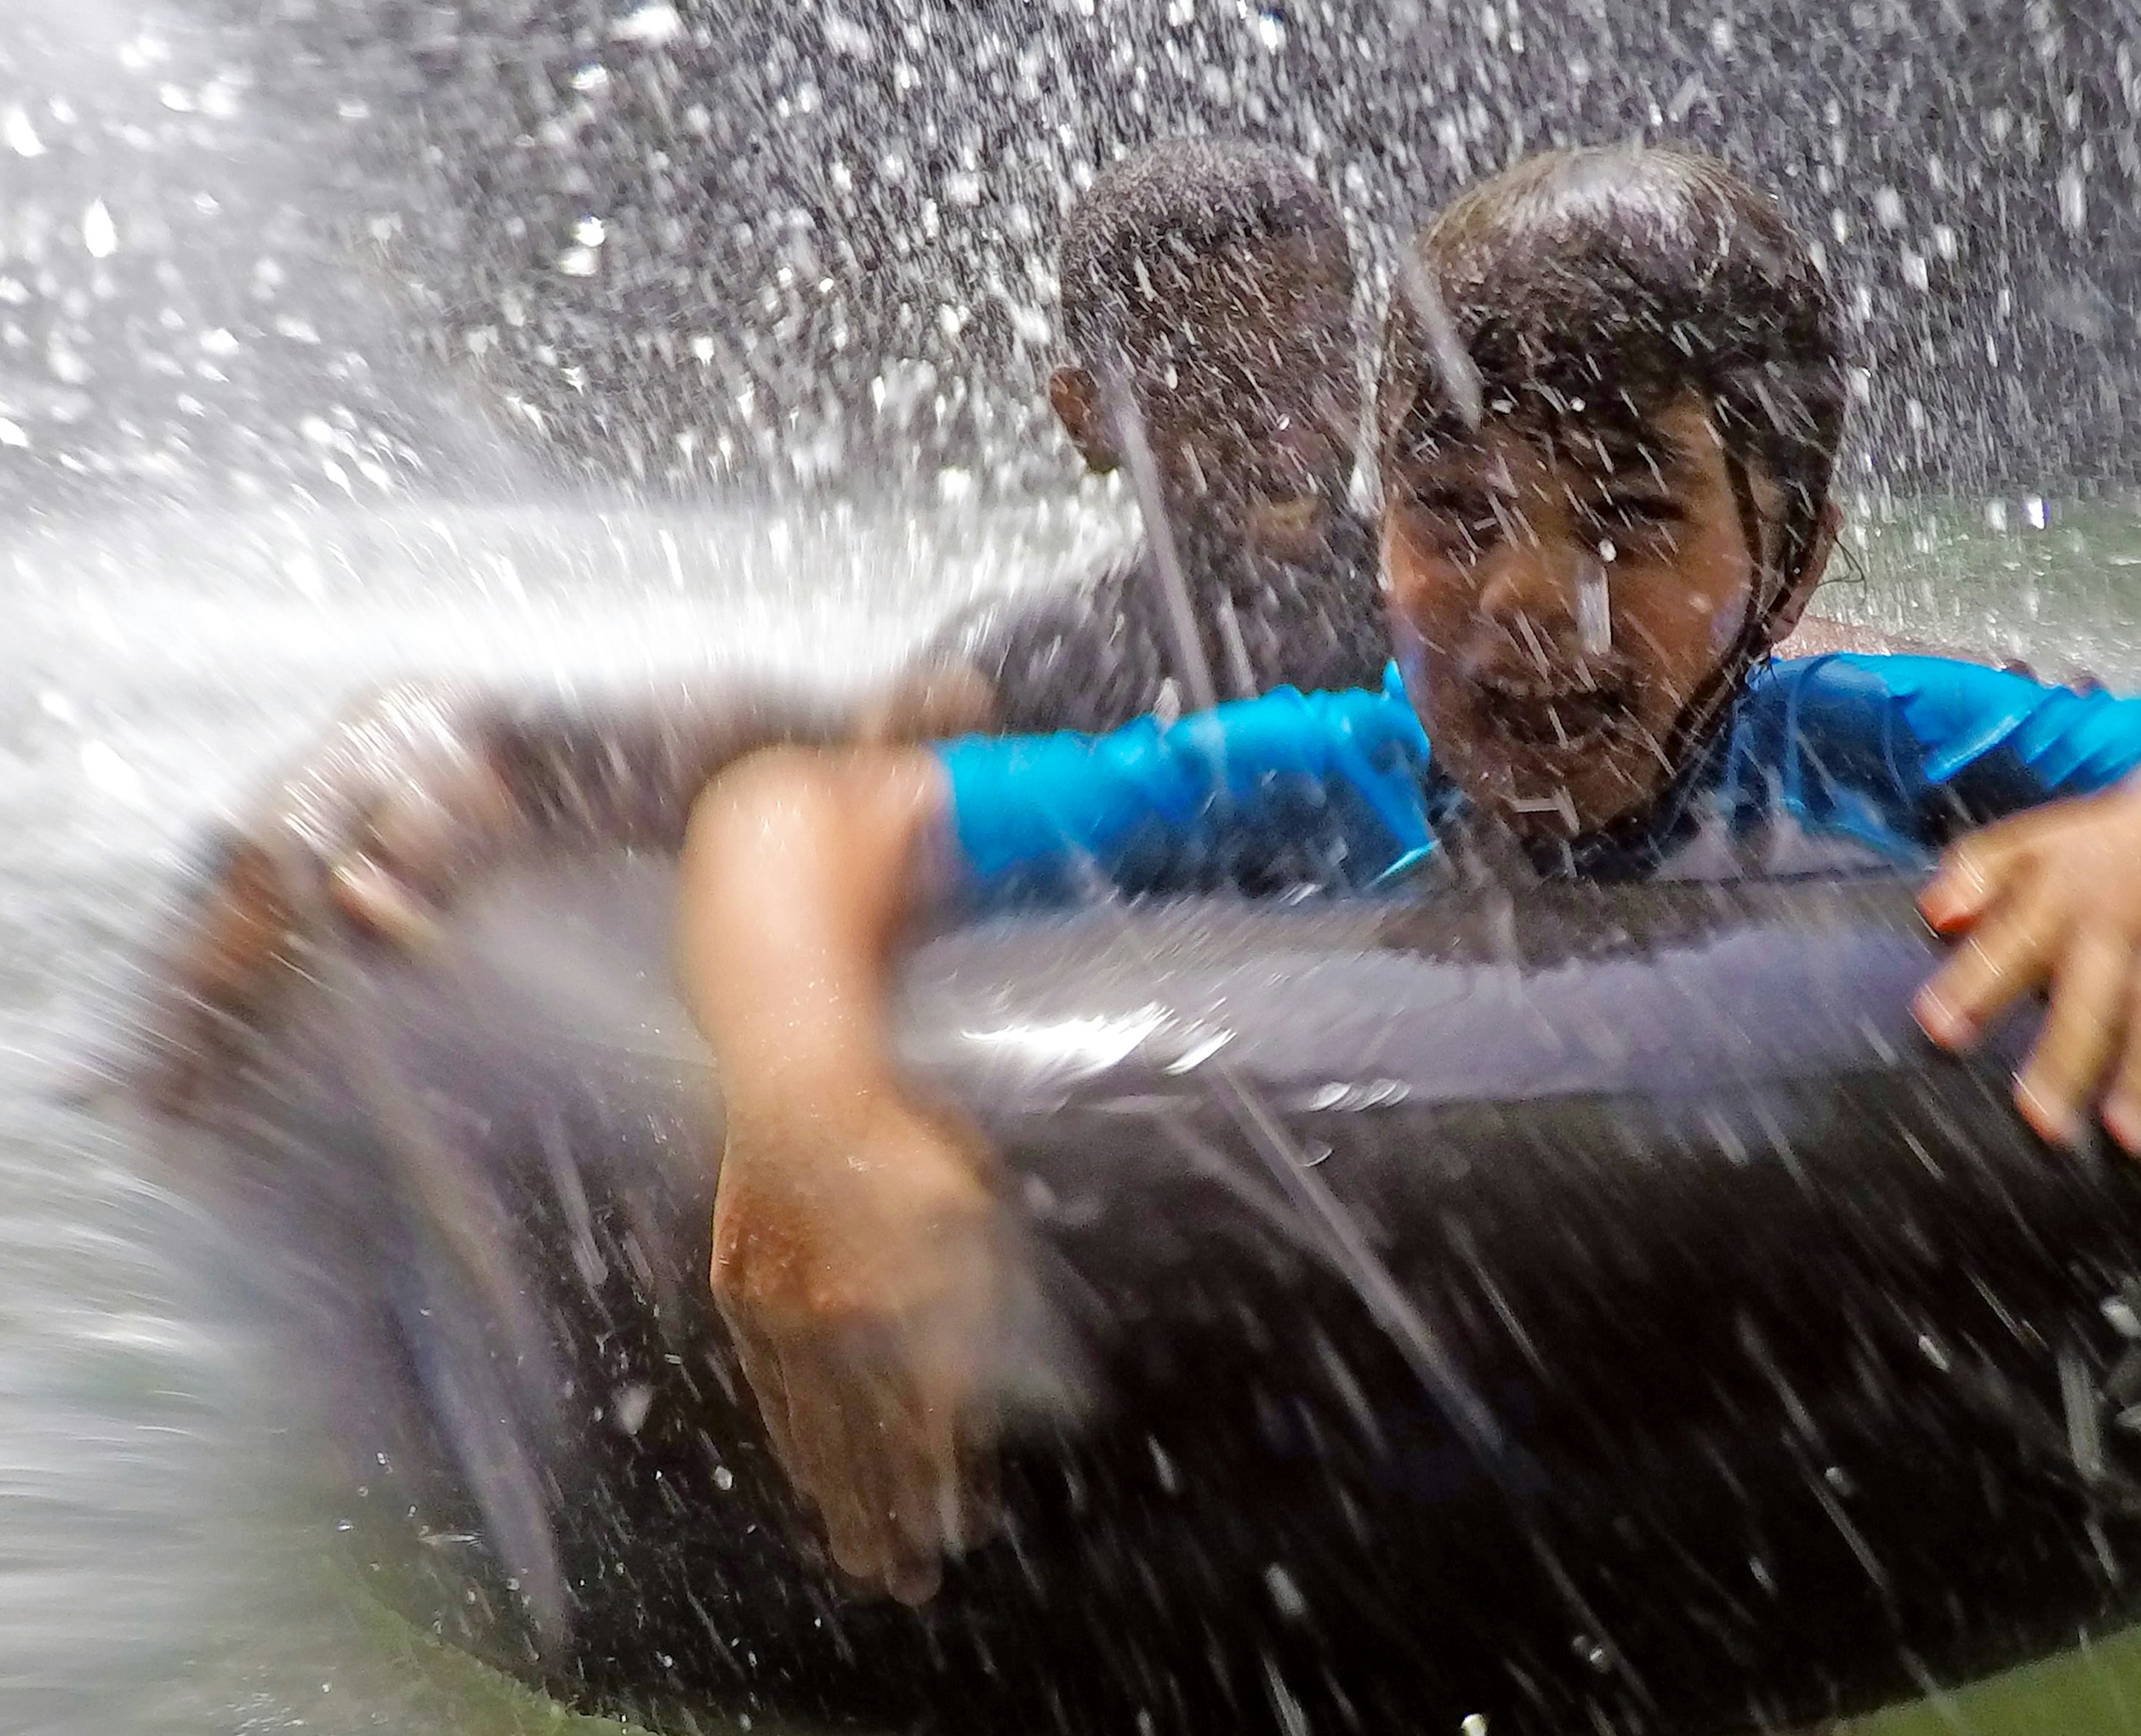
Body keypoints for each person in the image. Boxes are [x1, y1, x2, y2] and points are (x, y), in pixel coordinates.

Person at [673, 145, 2141, 1600]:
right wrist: (814, 1105)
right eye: (1450, 510)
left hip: (1860, 1359)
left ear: (1796, 552)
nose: (1527, 598)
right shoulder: (1329, 769)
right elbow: (801, 815)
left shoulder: (1867, 745)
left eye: (1627, 516)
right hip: (1532, 1413)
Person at [146, 136, 1387, 1105]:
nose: (1289, 427)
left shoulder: (1439, 604)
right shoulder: (1063, 660)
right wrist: (500, 762)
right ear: (1086, 416)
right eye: (1213, 381)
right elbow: (790, 764)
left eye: (1320, 364)